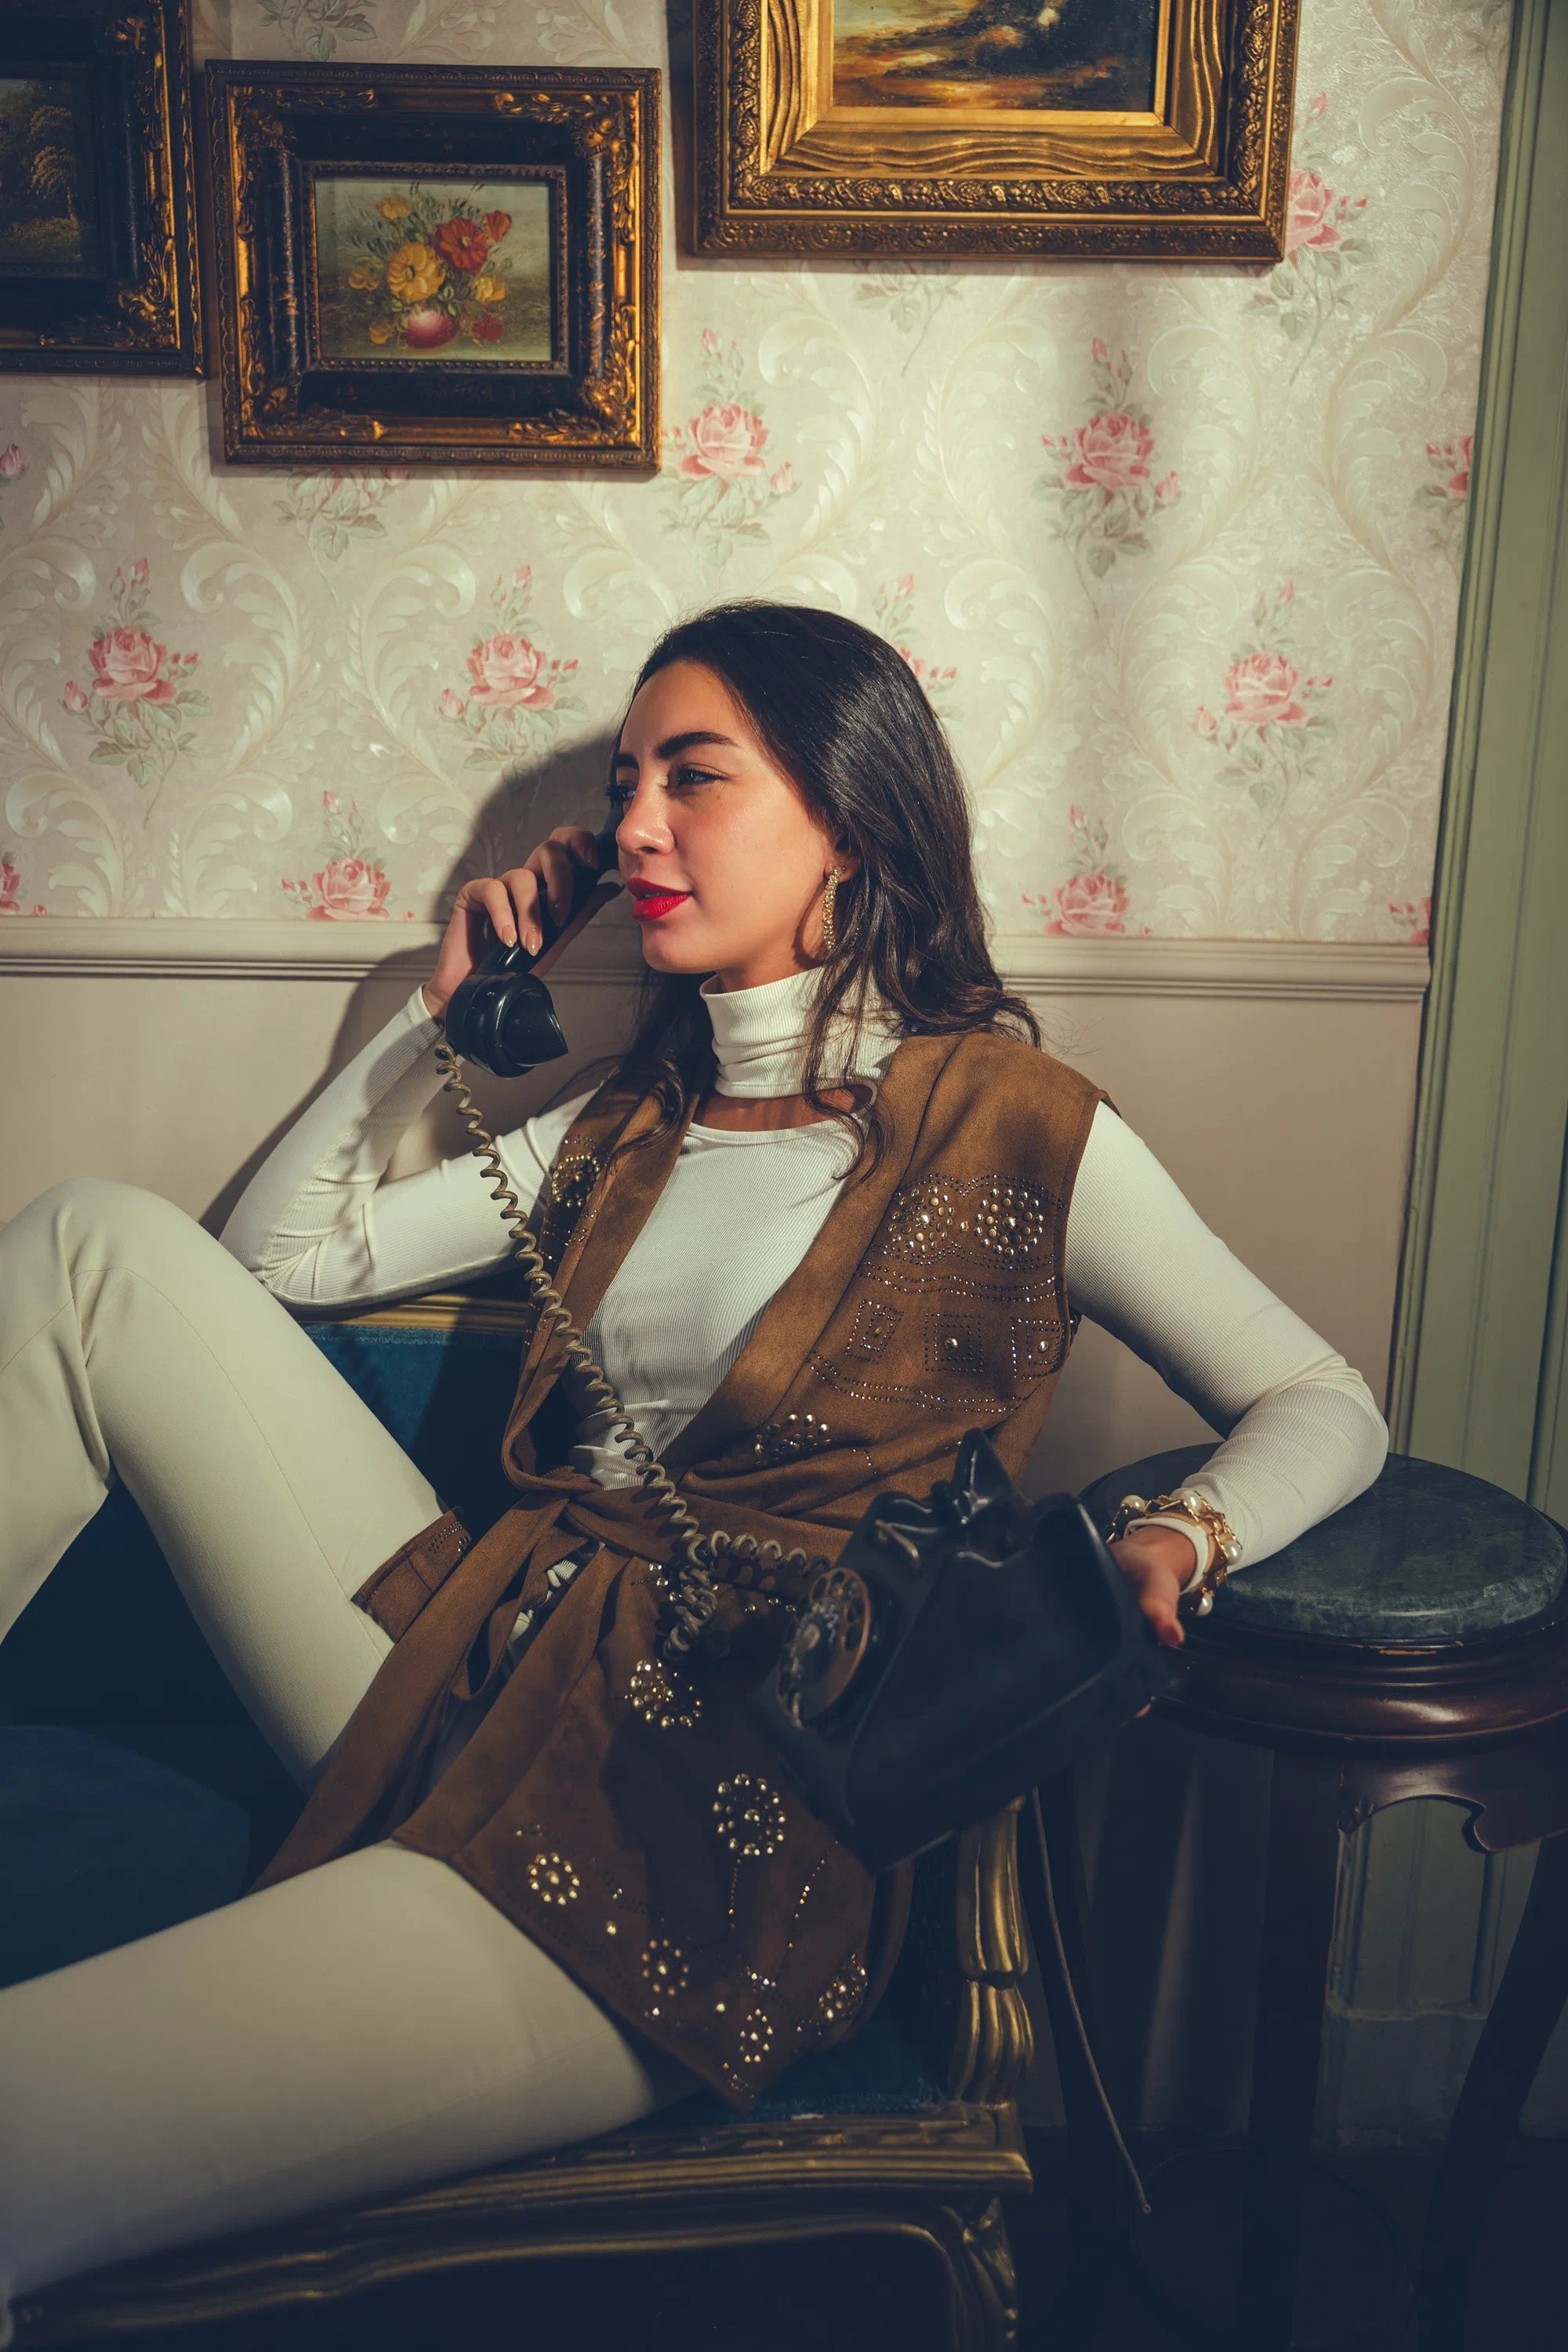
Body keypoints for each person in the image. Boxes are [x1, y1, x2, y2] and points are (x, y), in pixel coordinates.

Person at [0, 599, 1388, 2330]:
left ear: (850, 824)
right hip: (463, 1668)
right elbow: (282, 1261)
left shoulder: (1011, 1121)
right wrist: (452, 1012)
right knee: (92, 1245)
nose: (633, 827)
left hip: (711, 1813)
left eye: (693, 779)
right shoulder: (625, 1127)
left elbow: (1323, 1397)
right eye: (624, 782)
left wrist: (1184, 1529)